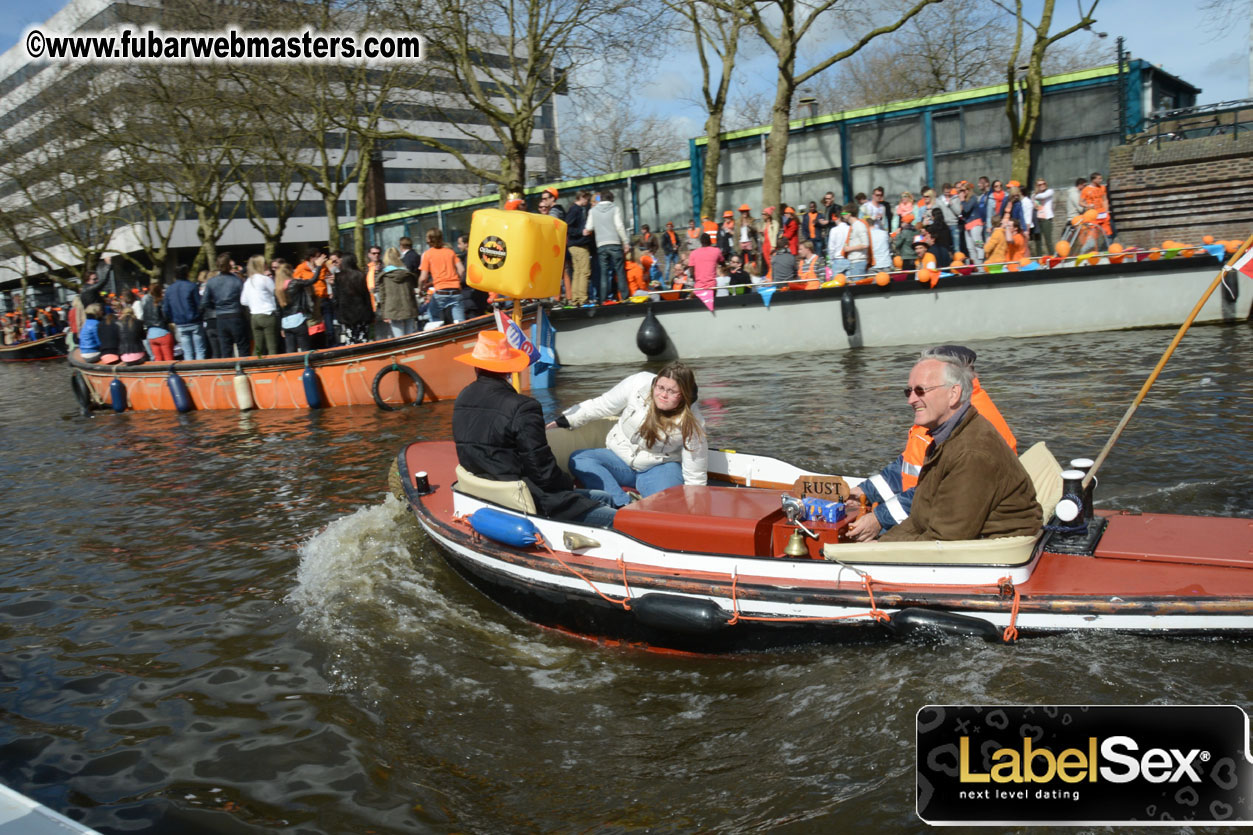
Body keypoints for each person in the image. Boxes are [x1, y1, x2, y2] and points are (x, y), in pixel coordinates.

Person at [847, 345, 1023, 541]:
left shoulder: (973, 440)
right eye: (909, 391)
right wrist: (864, 493)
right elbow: (909, 466)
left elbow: (943, 511)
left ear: (954, 389)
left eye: (922, 389)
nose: (911, 400)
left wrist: (880, 525)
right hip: (919, 516)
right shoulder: (946, 417)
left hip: (959, 535)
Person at [453, 331, 617, 527]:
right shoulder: (523, 407)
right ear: (508, 371)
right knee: (613, 512)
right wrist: (568, 484)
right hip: (528, 500)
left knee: (604, 497)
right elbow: (541, 470)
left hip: (487, 491)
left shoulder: (463, 397)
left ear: (476, 367)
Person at [549, 362, 707, 508]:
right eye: (660, 387)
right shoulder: (638, 383)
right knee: (580, 459)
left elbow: (695, 470)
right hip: (619, 459)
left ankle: (649, 509)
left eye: (672, 391)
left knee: (666, 506)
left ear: (684, 394)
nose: (663, 395)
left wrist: (696, 505)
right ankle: (621, 504)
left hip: (659, 467)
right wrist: (566, 420)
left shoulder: (694, 421)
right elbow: (603, 405)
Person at [583, 190, 630, 304]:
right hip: (614, 243)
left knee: (603, 273)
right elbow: (619, 226)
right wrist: (625, 242)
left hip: (601, 245)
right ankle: (625, 297)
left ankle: (603, 299)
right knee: (620, 271)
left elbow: (589, 228)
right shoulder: (615, 209)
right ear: (611, 199)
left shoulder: (592, 211)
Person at [201, 252, 249, 358]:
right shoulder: (237, 280)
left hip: (221, 317)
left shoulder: (211, 282)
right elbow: (244, 299)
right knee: (242, 347)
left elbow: (204, 302)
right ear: (229, 265)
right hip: (236, 315)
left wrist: (216, 306)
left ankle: (228, 368)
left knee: (225, 349)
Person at [420, 228, 466, 324]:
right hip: (456, 290)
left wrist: (421, 289)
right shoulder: (450, 252)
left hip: (441, 292)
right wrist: (458, 281)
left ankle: (439, 331)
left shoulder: (428, 254)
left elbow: (423, 278)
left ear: (429, 240)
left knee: (433, 316)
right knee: (460, 321)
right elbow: (462, 270)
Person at [162, 266, 207, 360]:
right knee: (199, 350)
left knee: (187, 352)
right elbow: (199, 304)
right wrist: (200, 315)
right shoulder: (192, 286)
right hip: (194, 321)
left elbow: (166, 308)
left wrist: (172, 319)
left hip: (180, 323)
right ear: (187, 274)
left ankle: (190, 368)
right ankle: (200, 368)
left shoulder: (170, 289)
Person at [240, 255, 280, 356]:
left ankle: (256, 363)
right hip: (267, 314)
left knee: (258, 347)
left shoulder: (248, 282)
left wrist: (254, 303)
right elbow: (275, 293)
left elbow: (243, 301)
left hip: (254, 316)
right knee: (272, 346)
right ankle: (273, 364)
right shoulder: (265, 279)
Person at [376, 247, 420, 337]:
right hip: (408, 307)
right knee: (410, 336)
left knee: (398, 337)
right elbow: (412, 293)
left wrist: (384, 313)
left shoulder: (384, 276)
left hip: (392, 309)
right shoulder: (408, 274)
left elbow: (382, 297)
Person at [275, 264, 318, 353]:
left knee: (290, 352)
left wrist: (281, 328)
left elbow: (278, 311)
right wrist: (319, 266)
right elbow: (313, 280)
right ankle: (306, 362)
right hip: (298, 320)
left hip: (286, 323)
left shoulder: (277, 290)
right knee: (305, 350)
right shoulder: (295, 283)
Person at [334, 253, 375, 344]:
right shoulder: (361, 275)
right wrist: (371, 314)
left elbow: (337, 297)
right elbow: (366, 295)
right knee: (363, 339)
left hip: (346, 314)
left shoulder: (339, 277)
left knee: (350, 340)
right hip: (362, 312)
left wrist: (338, 314)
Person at [565, 191, 595, 306]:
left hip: (574, 245)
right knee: (584, 272)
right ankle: (582, 298)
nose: (588, 202)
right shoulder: (576, 210)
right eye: (587, 199)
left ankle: (576, 298)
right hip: (579, 245)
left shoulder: (575, 209)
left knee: (578, 272)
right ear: (582, 197)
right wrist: (581, 232)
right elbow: (568, 227)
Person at [141, 283, 175, 361]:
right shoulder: (161, 302)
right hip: (163, 332)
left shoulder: (146, 303)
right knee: (168, 359)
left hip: (151, 334)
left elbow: (144, 318)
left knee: (158, 359)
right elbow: (166, 317)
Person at [689, 232, 723, 296]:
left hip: (698, 287)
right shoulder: (716, 251)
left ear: (701, 242)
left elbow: (691, 270)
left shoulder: (693, 253)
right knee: (711, 302)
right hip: (712, 287)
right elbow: (722, 263)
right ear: (710, 241)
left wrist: (695, 279)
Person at [1031, 178, 1055, 257]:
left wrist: (1035, 196)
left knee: (1048, 241)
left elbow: (1043, 196)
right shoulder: (1034, 195)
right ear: (1037, 186)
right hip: (1037, 219)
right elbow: (1033, 205)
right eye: (1040, 184)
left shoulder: (1049, 191)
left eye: (1043, 183)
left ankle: (1053, 258)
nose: (1042, 185)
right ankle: (1039, 258)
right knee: (1038, 241)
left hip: (1046, 219)